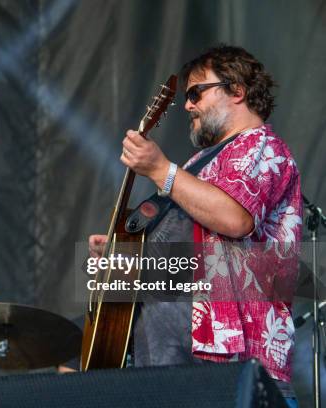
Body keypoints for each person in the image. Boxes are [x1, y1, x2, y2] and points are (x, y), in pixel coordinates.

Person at [89, 45, 302, 407]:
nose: (187, 106)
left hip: (232, 365)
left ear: (237, 91)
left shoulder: (264, 146)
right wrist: (123, 253)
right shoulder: (198, 164)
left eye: (195, 93)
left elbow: (235, 218)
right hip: (171, 364)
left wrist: (160, 169)